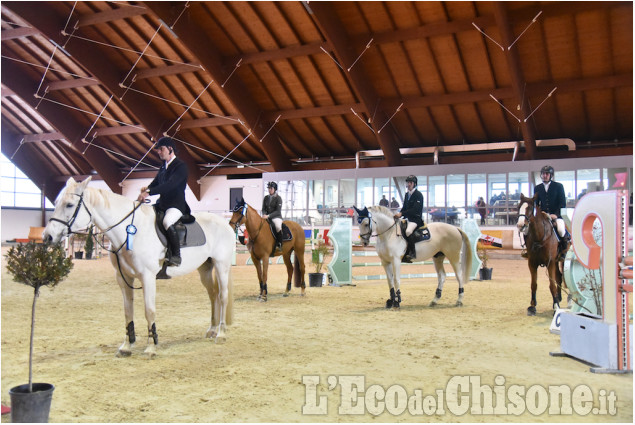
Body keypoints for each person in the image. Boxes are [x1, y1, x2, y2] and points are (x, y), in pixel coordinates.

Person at [137, 137, 190, 269]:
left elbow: (170, 185)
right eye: (158, 150)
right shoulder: (163, 166)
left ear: (170, 149)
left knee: (167, 222)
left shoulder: (181, 166)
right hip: (162, 204)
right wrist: (147, 189)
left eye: (161, 149)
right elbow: (155, 182)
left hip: (176, 205)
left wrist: (149, 192)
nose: (159, 152)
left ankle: (176, 255)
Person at [533, 165, 570, 257]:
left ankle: (563, 252)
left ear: (551, 175)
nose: (545, 175)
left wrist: (556, 215)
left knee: (561, 230)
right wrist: (539, 214)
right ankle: (531, 250)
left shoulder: (558, 186)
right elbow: (537, 204)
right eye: (543, 174)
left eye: (547, 174)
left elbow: (562, 204)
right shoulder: (537, 188)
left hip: (556, 216)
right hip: (543, 216)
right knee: (532, 229)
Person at [394, 175, 424, 263]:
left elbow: (415, 209)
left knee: (408, 232)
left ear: (414, 184)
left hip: (415, 219)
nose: (408, 184)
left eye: (410, 183)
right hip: (407, 219)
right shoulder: (407, 194)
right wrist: (398, 214)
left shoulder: (418, 195)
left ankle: (412, 253)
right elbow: (405, 207)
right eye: (408, 182)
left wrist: (402, 213)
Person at [262, 181, 283, 251]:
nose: (269, 190)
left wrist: (268, 216)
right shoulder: (266, 198)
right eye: (268, 188)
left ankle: (279, 243)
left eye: (271, 188)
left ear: (274, 189)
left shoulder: (278, 198)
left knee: (277, 226)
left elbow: (278, 211)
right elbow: (263, 208)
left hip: (276, 217)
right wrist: (264, 214)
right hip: (266, 217)